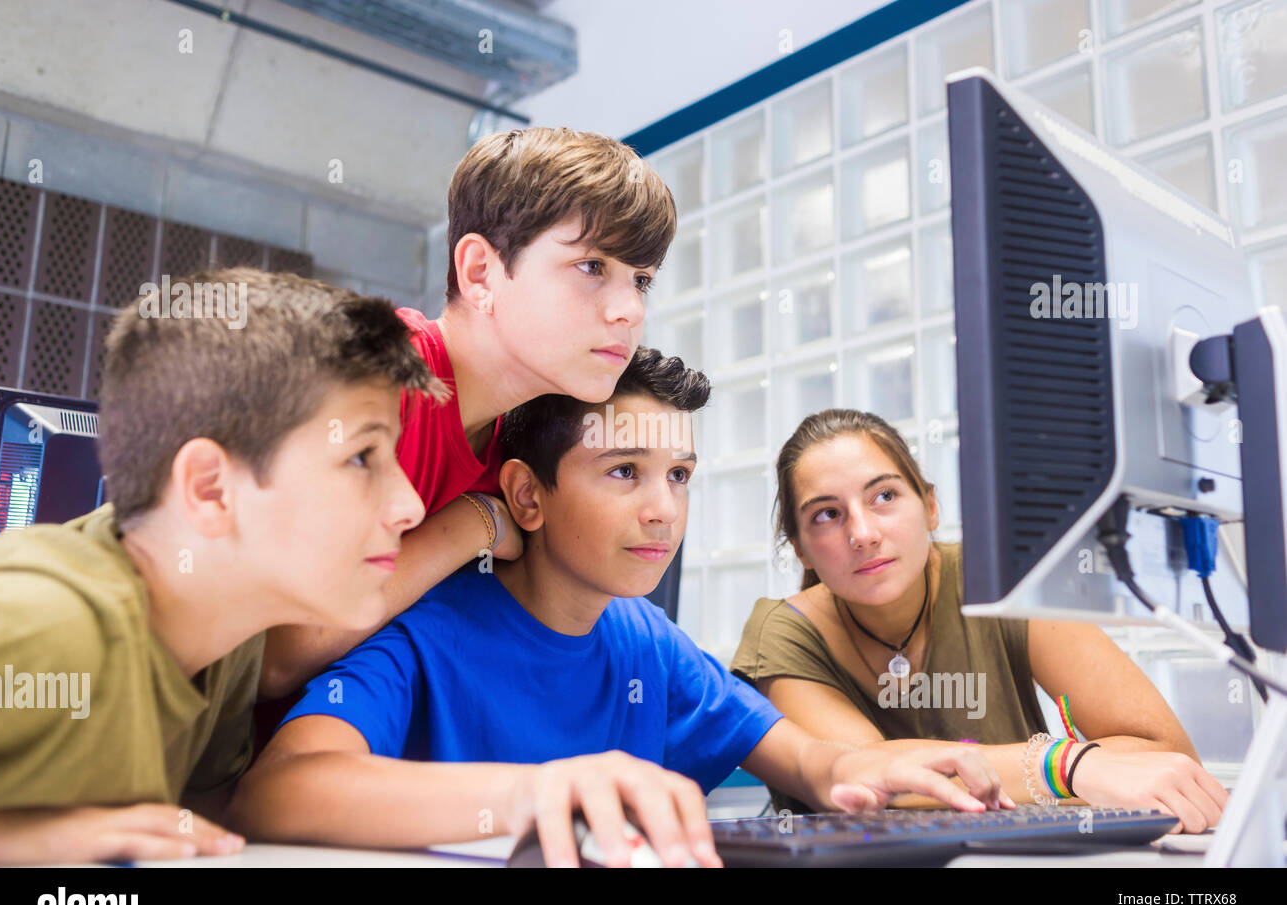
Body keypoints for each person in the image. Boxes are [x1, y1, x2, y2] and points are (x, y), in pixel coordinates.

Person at [229, 350, 1012, 867]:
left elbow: (807, 762)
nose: (663, 509)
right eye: (624, 471)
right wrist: (531, 794)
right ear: (527, 496)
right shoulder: (429, 628)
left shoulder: (648, 642)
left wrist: (867, 766)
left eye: (679, 475)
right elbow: (275, 789)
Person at [0, 269, 439, 865]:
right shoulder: (46, 624)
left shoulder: (228, 638)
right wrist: (31, 843)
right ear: (209, 489)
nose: (410, 505)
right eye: (362, 457)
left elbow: (213, 826)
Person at [260, 127, 677, 699]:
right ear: (480, 272)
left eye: (642, 280)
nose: (630, 309)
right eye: (591, 266)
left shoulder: (525, 441)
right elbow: (281, 654)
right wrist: (473, 524)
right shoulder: (376, 375)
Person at [731, 408, 1229, 833]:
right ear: (801, 549)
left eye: (884, 496)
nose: (862, 533)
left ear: (930, 507)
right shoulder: (783, 632)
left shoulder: (1002, 581)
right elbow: (871, 783)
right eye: (826, 514)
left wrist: (1067, 774)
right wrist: (1065, 767)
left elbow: (1167, 756)